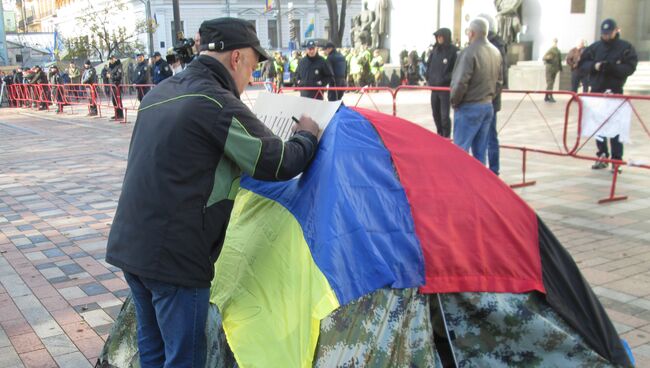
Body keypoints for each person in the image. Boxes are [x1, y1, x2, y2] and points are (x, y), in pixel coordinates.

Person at [105, 17, 319, 368]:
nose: (251, 77)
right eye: (251, 65)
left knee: (154, 352)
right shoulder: (215, 102)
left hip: (132, 246)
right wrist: (307, 135)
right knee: (184, 360)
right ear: (236, 59)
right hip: (176, 257)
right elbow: (277, 162)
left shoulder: (160, 92)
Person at [578, 18, 638, 173]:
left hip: (615, 92)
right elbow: (582, 65)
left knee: (616, 127)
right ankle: (602, 154)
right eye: (603, 33)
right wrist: (595, 66)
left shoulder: (625, 47)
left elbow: (630, 67)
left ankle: (616, 159)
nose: (605, 36)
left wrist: (612, 68)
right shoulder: (594, 48)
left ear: (615, 31)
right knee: (599, 127)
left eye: (608, 33)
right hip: (597, 92)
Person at [450, 18, 503, 164]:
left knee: (460, 151)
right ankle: (480, 184)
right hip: (487, 105)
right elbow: (499, 82)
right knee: (480, 153)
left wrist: (455, 101)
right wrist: (490, 97)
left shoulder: (468, 52)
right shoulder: (496, 52)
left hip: (469, 106)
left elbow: (460, 82)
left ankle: (460, 184)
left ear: (472, 33)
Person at [480, 13, 509, 176]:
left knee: (490, 136)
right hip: (484, 99)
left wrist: (490, 96)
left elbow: (500, 77)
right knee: (483, 138)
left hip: (488, 100)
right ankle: (485, 170)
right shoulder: (490, 45)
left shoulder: (496, 47)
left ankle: (493, 170)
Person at [426, 28, 458, 138]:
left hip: (445, 89)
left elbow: (456, 69)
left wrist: (445, 79)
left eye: (441, 36)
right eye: (437, 37)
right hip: (434, 89)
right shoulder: (435, 50)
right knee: (436, 114)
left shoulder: (453, 51)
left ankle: (446, 136)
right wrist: (429, 78)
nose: (439, 39)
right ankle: (439, 133)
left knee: (444, 116)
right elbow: (429, 65)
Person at [543, 38, 562, 103]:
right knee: (550, 83)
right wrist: (549, 57)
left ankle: (546, 96)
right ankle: (550, 96)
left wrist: (560, 68)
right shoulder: (551, 50)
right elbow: (544, 57)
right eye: (554, 42)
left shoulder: (558, 51)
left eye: (556, 42)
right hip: (550, 68)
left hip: (554, 69)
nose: (555, 43)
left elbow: (559, 60)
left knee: (551, 83)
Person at [107, 55, 124, 120]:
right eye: (110, 59)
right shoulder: (110, 67)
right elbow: (107, 74)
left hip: (117, 85)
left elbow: (119, 76)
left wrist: (110, 76)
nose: (111, 60)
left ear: (115, 59)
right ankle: (116, 114)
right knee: (114, 101)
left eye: (112, 59)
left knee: (118, 100)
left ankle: (120, 115)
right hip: (112, 86)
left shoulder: (118, 66)